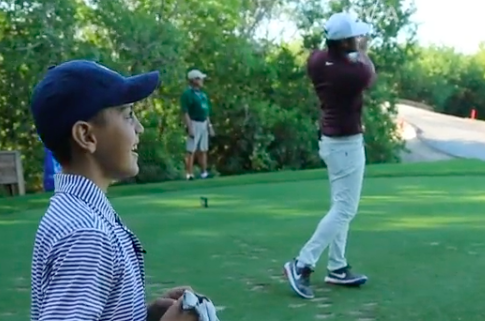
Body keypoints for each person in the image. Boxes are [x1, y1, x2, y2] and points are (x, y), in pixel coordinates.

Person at [29, 60, 199, 321]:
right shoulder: (86, 234)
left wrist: (146, 316)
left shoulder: (77, 212)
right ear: (86, 136)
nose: (139, 128)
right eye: (128, 115)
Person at [283, 12, 377, 299]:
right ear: (345, 41)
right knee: (345, 209)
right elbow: (370, 73)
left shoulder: (316, 61)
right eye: (354, 37)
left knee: (340, 206)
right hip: (347, 143)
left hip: (330, 141)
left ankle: (337, 267)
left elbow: (340, 57)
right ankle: (302, 264)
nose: (359, 39)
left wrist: (353, 49)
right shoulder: (355, 72)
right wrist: (362, 51)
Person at [181, 69, 215, 180]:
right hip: (194, 123)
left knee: (203, 149)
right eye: (199, 79)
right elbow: (185, 112)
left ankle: (204, 173)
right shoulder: (187, 94)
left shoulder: (203, 95)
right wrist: (190, 127)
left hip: (204, 123)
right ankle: (189, 174)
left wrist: (210, 126)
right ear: (193, 80)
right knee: (191, 150)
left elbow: (206, 113)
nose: (202, 81)